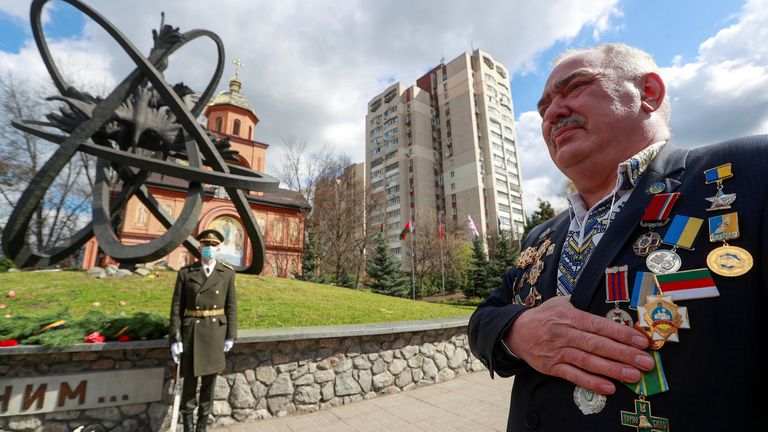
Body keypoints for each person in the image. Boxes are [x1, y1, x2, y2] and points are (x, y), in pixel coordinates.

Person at [468, 43, 766, 431]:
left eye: (574, 87)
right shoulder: (540, 235)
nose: (552, 113)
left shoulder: (750, 171)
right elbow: (484, 318)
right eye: (543, 108)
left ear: (649, 94)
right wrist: (516, 331)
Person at [169, 229, 237, 432]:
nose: (209, 249)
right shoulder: (186, 273)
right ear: (199, 247)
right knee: (189, 382)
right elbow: (176, 307)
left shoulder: (227, 274)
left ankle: (201, 426)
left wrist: (230, 335)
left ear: (219, 248)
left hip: (215, 333)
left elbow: (231, 306)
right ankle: (188, 426)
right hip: (191, 334)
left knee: (209, 384)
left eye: (213, 246)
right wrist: (175, 337)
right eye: (206, 245)